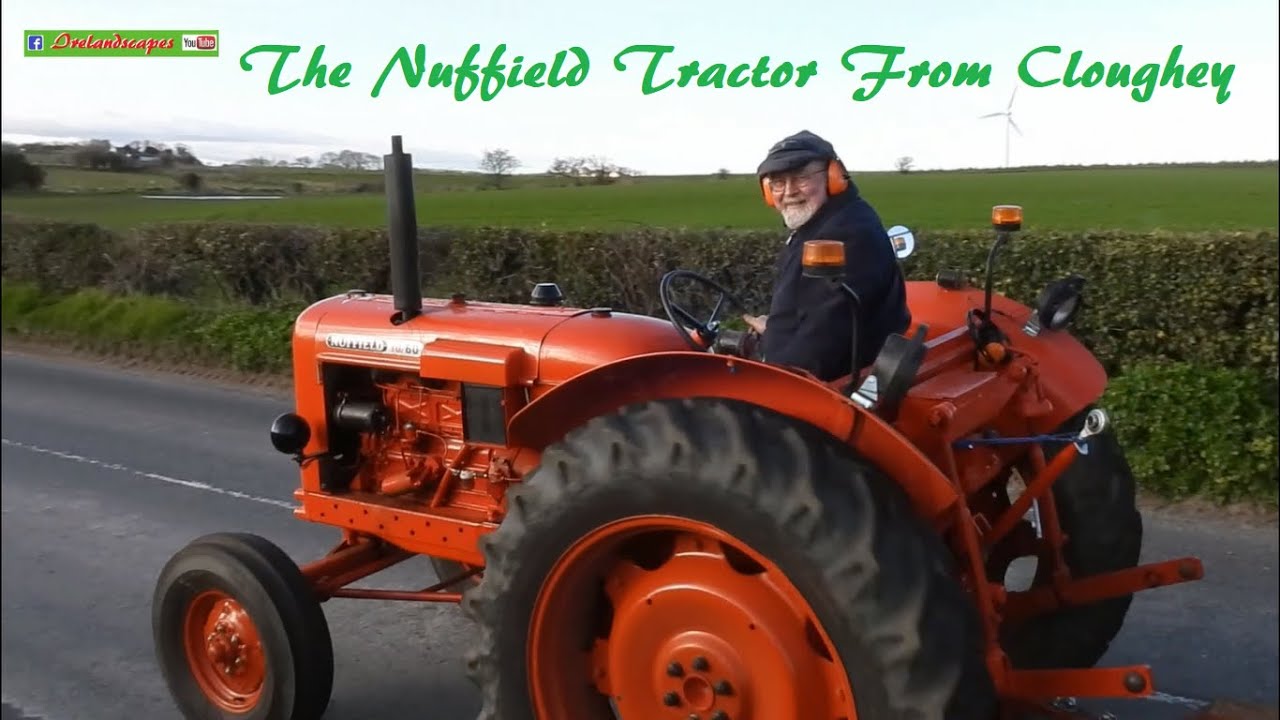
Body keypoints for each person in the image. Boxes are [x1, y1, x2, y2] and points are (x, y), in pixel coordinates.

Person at [742, 130, 911, 383]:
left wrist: (768, 365)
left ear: (834, 177)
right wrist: (775, 330)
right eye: (778, 182)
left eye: (801, 178)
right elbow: (816, 311)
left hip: (826, 386)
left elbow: (821, 346)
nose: (789, 192)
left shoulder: (842, 236)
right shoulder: (824, 223)